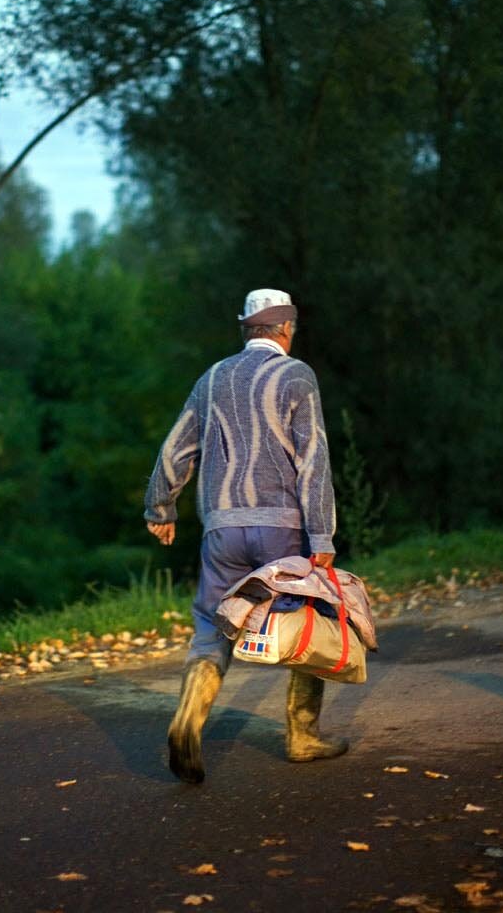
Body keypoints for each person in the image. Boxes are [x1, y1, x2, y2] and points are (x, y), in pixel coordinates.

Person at [144, 288, 347, 784]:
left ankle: (188, 723)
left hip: (223, 530)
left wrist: (160, 505)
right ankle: (302, 736)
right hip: (282, 530)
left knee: (214, 628)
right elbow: (313, 460)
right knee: (311, 616)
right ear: (286, 329)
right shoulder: (297, 376)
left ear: (246, 329)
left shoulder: (212, 378)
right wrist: (322, 535)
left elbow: (176, 448)